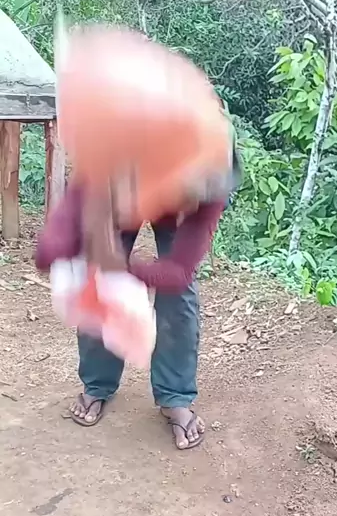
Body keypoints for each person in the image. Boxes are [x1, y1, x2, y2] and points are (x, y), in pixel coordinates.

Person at [35, 167, 237, 449]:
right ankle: (97, 382)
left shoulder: (210, 176)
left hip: (182, 187)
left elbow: (179, 271)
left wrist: (130, 272)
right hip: (118, 183)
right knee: (98, 278)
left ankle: (175, 395)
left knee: (178, 293)